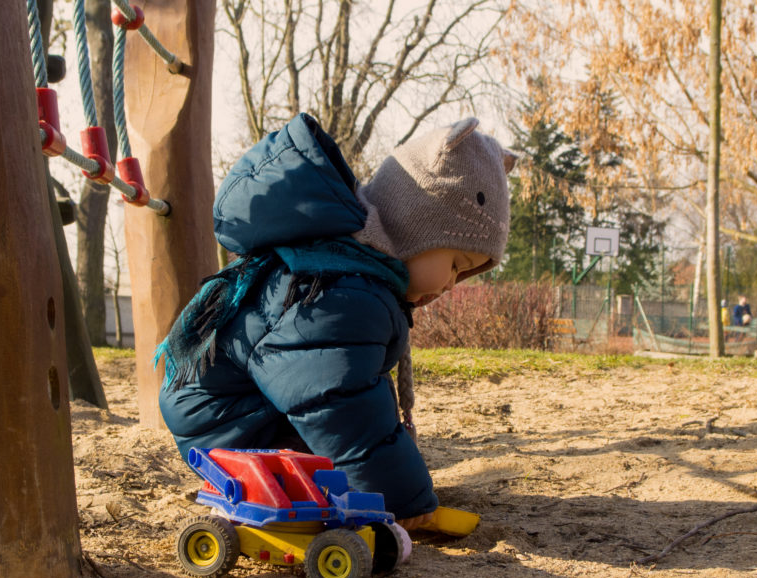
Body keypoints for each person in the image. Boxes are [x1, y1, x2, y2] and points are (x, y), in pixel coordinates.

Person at [155, 113, 516, 530]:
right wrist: (405, 503)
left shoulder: (355, 273)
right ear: (417, 228)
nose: (453, 283)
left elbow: (353, 393)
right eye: (456, 264)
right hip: (226, 427)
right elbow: (342, 407)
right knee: (337, 452)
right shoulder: (342, 291)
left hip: (243, 408)